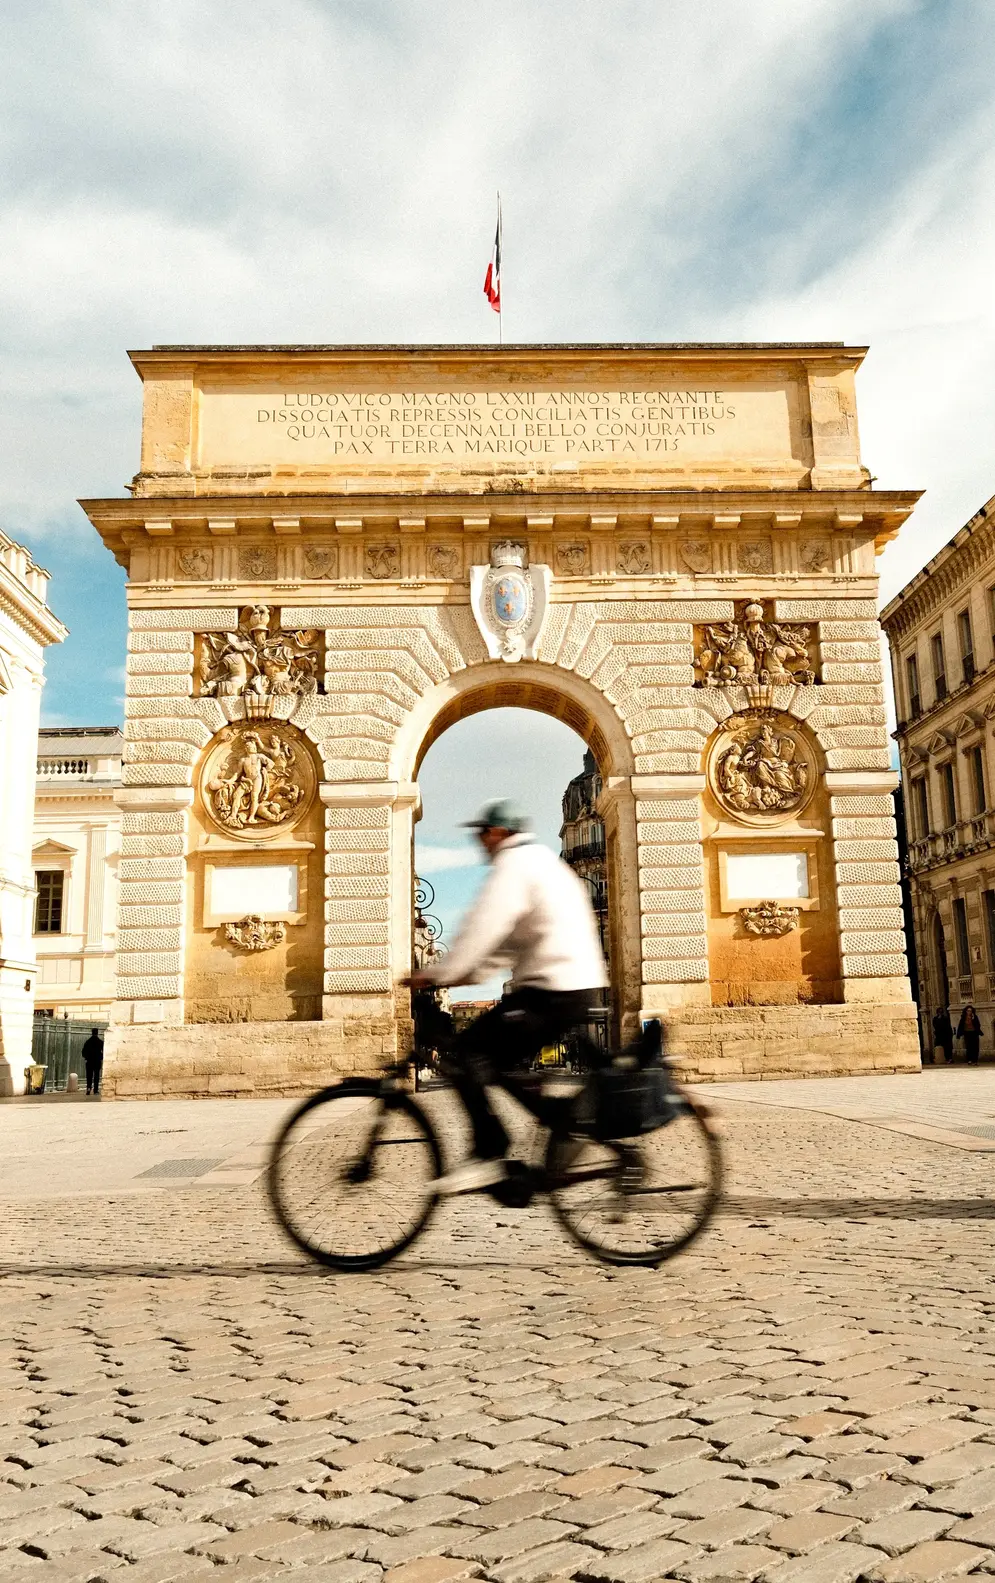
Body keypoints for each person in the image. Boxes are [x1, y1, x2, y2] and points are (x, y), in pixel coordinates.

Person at [405, 799, 607, 1196]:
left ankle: (488, 1152)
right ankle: (563, 1125)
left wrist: (438, 973)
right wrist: (466, 974)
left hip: (552, 988)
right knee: (502, 1063)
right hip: (572, 985)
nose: (480, 843)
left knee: (468, 1054)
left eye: (482, 834)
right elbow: (501, 944)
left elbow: (483, 927)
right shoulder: (544, 861)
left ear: (497, 833)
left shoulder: (513, 866)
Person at [82, 1027, 104, 1096]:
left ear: (92, 1033)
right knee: (96, 1076)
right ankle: (96, 1090)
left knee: (89, 1075)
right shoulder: (100, 1042)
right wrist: (101, 1057)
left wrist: (86, 1057)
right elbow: (104, 1051)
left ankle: (88, 1088)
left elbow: (83, 1052)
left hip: (89, 1061)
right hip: (97, 1061)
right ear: (97, 1033)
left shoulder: (88, 1042)